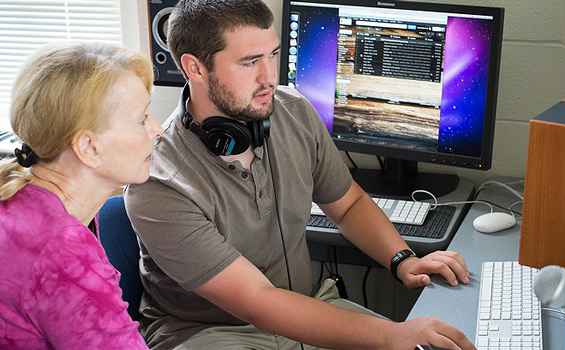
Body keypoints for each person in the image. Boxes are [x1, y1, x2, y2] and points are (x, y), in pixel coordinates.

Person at [125, 1, 474, 349]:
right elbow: (259, 302)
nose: (268, 78)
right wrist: (392, 334)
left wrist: (403, 259)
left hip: (310, 305)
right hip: (210, 333)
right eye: (249, 62)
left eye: (272, 55)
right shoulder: (157, 180)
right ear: (195, 68)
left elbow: (348, 204)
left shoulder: (293, 112)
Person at [0, 40, 163, 349]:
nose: (157, 129)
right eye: (141, 119)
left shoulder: (23, 201)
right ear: (88, 147)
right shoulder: (63, 253)